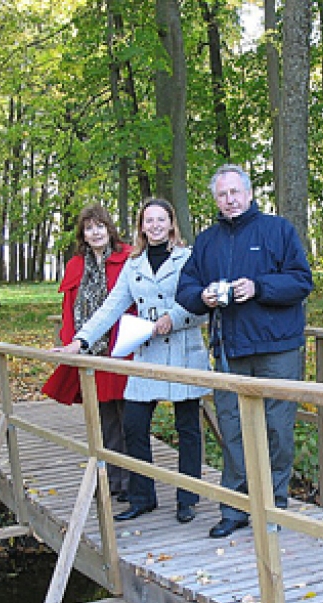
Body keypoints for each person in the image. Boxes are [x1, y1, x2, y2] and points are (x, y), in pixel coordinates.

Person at [176, 164, 314, 538]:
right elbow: (185, 289)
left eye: (235, 192)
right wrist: (201, 297)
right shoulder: (207, 242)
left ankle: (273, 507)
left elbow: (302, 281)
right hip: (229, 348)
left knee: (276, 430)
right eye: (222, 194)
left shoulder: (278, 230)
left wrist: (259, 287)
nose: (230, 200)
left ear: (249, 193)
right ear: (216, 200)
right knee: (233, 429)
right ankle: (235, 508)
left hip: (277, 348)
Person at [54, 199, 210, 524]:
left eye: (160, 219)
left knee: (188, 428)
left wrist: (174, 318)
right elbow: (111, 307)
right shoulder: (134, 263)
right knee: (134, 425)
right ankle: (142, 497)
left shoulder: (188, 258)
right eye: (147, 220)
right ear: (141, 225)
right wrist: (79, 342)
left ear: (171, 224)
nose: (154, 225)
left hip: (182, 350)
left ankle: (187, 498)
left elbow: (201, 304)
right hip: (147, 352)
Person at [42, 203, 132, 502]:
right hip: (91, 351)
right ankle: (111, 479)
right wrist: (71, 343)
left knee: (129, 416)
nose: (95, 233)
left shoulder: (128, 257)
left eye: (100, 226)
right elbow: (69, 309)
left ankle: (133, 481)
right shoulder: (76, 265)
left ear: (109, 228)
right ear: (83, 233)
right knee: (104, 417)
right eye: (89, 228)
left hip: (122, 349)